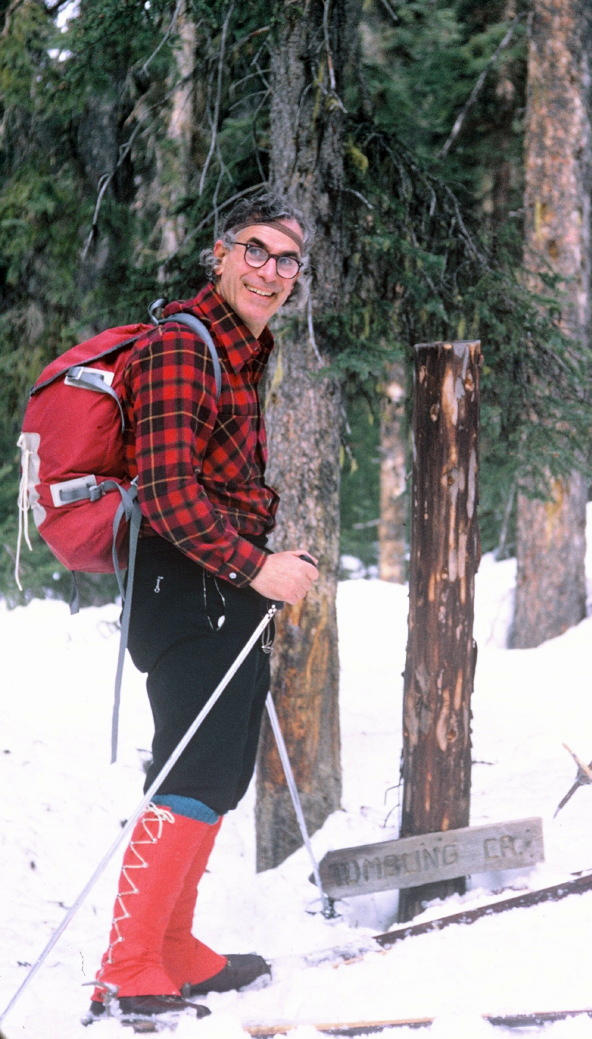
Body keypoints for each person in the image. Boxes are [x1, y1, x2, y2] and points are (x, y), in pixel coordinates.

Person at [87, 191, 319, 1023]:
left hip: (219, 583)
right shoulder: (182, 345)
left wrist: (250, 569)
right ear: (220, 254)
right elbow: (166, 488)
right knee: (187, 769)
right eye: (255, 251)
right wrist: (256, 566)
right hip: (186, 581)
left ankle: (174, 947)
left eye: (286, 259)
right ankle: (126, 965)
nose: (270, 271)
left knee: (217, 769)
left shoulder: (245, 347)